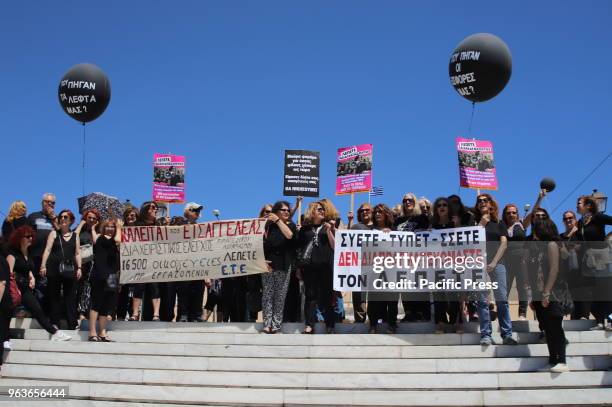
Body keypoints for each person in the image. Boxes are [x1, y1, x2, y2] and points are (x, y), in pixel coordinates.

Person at [7, 226, 71, 341]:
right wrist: (14, 289)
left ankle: (54, 333)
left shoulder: (28, 252)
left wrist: (31, 277)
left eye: (31, 236)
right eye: (27, 237)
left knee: (37, 310)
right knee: (6, 314)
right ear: (20, 238)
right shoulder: (13, 254)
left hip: (25, 288)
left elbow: (28, 268)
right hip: (13, 288)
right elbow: (9, 274)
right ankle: (5, 339)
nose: (30, 238)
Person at [473, 194, 517, 346]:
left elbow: (503, 244)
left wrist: (493, 262)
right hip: (479, 265)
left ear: (491, 204)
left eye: (485, 200)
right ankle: (486, 334)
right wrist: (480, 224)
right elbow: (471, 242)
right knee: (482, 301)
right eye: (479, 201)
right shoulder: (475, 223)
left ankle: (507, 334)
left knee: (502, 299)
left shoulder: (499, 223)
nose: (482, 203)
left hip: (497, 264)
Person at [530, 219, 570, 372]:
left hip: (553, 293)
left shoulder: (552, 245)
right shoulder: (540, 248)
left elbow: (554, 269)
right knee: (547, 328)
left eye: (536, 229)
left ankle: (562, 361)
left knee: (555, 327)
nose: (534, 233)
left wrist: (547, 292)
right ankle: (552, 360)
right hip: (539, 293)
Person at [40, 209, 81, 330]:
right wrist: (43, 265)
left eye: (66, 217)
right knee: (54, 296)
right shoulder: (53, 233)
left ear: (71, 221)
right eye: (61, 217)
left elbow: (77, 253)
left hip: (70, 268)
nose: (63, 219)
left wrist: (79, 268)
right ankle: (55, 322)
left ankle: (72, 323)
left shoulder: (75, 236)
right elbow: (47, 250)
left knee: (70, 296)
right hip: (54, 268)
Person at [298, 201, 336, 334]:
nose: (322, 211)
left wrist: (330, 231)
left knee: (327, 296)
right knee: (310, 297)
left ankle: (330, 324)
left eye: (323, 210)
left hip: (326, 267)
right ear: (312, 211)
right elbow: (300, 249)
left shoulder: (329, 227)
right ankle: (309, 325)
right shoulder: (304, 230)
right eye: (319, 209)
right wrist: (298, 268)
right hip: (309, 267)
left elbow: (335, 246)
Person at [577, 195, 612, 330]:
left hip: (602, 257)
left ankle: (608, 319)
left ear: (589, 206)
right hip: (589, 259)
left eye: (579, 203)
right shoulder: (581, 222)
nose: (577, 205)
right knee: (591, 291)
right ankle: (599, 320)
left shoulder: (598, 217)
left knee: (605, 289)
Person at [261, 201, 297, 333]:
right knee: (267, 295)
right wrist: (263, 261)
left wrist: (278, 221)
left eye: (288, 210)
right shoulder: (267, 226)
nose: (287, 212)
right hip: (268, 265)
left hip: (283, 265)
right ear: (276, 212)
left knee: (280, 296)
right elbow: (261, 243)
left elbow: (289, 235)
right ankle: (267, 323)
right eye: (283, 210)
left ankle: (276, 325)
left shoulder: (290, 225)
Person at [394, 193, 430, 322]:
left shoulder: (422, 218)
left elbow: (429, 234)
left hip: (418, 258)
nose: (407, 202)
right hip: (402, 259)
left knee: (419, 285)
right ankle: (409, 312)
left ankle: (422, 313)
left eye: (410, 200)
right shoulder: (398, 221)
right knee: (404, 285)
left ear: (414, 203)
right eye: (405, 201)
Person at [431, 197, 463, 333]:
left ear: (448, 208)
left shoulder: (454, 225)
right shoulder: (432, 227)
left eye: (445, 205)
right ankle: (440, 323)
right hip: (437, 266)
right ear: (436, 209)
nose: (442, 207)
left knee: (453, 295)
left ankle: (455, 322)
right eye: (439, 205)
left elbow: (463, 243)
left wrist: (457, 227)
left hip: (453, 265)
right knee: (439, 296)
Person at [88, 219, 122, 342]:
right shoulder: (101, 238)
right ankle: (92, 331)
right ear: (103, 228)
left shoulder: (114, 243)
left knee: (106, 305)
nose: (110, 229)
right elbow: (118, 239)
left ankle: (102, 332)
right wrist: (119, 226)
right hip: (100, 275)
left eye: (112, 227)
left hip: (112, 276)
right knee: (96, 303)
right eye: (107, 226)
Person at [368, 204, 399, 334]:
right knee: (374, 298)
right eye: (376, 212)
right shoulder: (369, 231)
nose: (377, 214)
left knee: (392, 298)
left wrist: (391, 235)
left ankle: (391, 324)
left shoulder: (395, 231)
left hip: (391, 270)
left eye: (380, 212)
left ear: (387, 214)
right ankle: (373, 325)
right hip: (375, 269)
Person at [177, 202, 206, 322]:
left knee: (198, 289)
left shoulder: (202, 228)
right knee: (184, 289)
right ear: (187, 212)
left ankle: (197, 314)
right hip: (183, 264)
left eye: (198, 210)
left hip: (198, 263)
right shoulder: (179, 226)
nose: (197, 212)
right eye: (194, 210)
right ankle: (183, 314)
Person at [132, 202, 162, 321]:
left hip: (155, 261)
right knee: (138, 286)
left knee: (155, 287)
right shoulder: (137, 225)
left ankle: (156, 314)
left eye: (156, 208)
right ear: (146, 210)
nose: (156, 209)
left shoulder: (159, 225)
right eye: (153, 207)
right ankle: (135, 313)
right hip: (141, 260)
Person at [502, 204, 530, 320]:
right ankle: (503, 313)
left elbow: (532, 213)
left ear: (517, 214)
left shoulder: (522, 224)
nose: (511, 215)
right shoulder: (501, 226)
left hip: (521, 259)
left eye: (513, 212)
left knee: (522, 286)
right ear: (505, 214)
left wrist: (540, 198)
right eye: (508, 213)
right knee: (505, 287)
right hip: (506, 260)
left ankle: (522, 313)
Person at [74, 209, 100, 323]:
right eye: (89, 217)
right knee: (79, 287)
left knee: (88, 288)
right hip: (79, 262)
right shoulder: (81, 230)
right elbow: (73, 236)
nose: (92, 220)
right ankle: (78, 311)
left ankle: (84, 311)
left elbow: (97, 243)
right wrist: (81, 224)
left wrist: (94, 229)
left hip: (92, 263)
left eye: (94, 218)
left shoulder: (98, 231)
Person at [559, 210, 585, 320]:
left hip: (580, 269)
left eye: (570, 218)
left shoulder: (579, 233)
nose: (568, 220)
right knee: (569, 293)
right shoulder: (560, 237)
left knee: (580, 291)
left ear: (575, 219)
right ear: (563, 221)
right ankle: (573, 316)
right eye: (565, 219)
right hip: (566, 270)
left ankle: (583, 315)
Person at [350, 203, 374, 323]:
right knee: (359, 295)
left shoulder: (378, 227)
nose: (364, 212)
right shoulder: (355, 227)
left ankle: (376, 319)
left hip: (376, 265)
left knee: (376, 293)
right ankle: (359, 319)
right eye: (362, 210)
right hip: (359, 265)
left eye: (367, 210)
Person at [116, 207, 139, 321]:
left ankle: (133, 314)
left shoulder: (141, 231)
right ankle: (120, 315)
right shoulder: (121, 229)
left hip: (137, 266)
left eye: (133, 215)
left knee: (135, 291)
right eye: (128, 215)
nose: (130, 217)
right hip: (122, 266)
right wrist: (119, 229)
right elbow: (116, 243)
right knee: (123, 292)